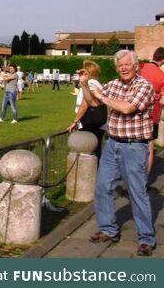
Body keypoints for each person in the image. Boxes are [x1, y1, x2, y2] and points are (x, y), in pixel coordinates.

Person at [79, 50, 155, 256]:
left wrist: (102, 95)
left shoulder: (144, 86)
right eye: (120, 65)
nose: (123, 68)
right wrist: (85, 85)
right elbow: (94, 103)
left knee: (137, 193)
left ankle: (146, 238)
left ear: (136, 66)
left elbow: (127, 108)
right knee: (102, 187)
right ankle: (108, 230)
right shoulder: (113, 85)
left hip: (135, 146)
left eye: (127, 64)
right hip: (113, 144)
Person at [67, 60, 106, 159]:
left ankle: (91, 173)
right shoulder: (95, 83)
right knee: (95, 151)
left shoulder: (91, 83)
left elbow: (85, 104)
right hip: (96, 124)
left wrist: (75, 121)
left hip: (90, 123)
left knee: (89, 152)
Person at [140, 46, 164, 173]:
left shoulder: (141, 68)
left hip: (136, 113)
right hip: (152, 117)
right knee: (149, 147)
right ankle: (145, 179)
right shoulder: (161, 75)